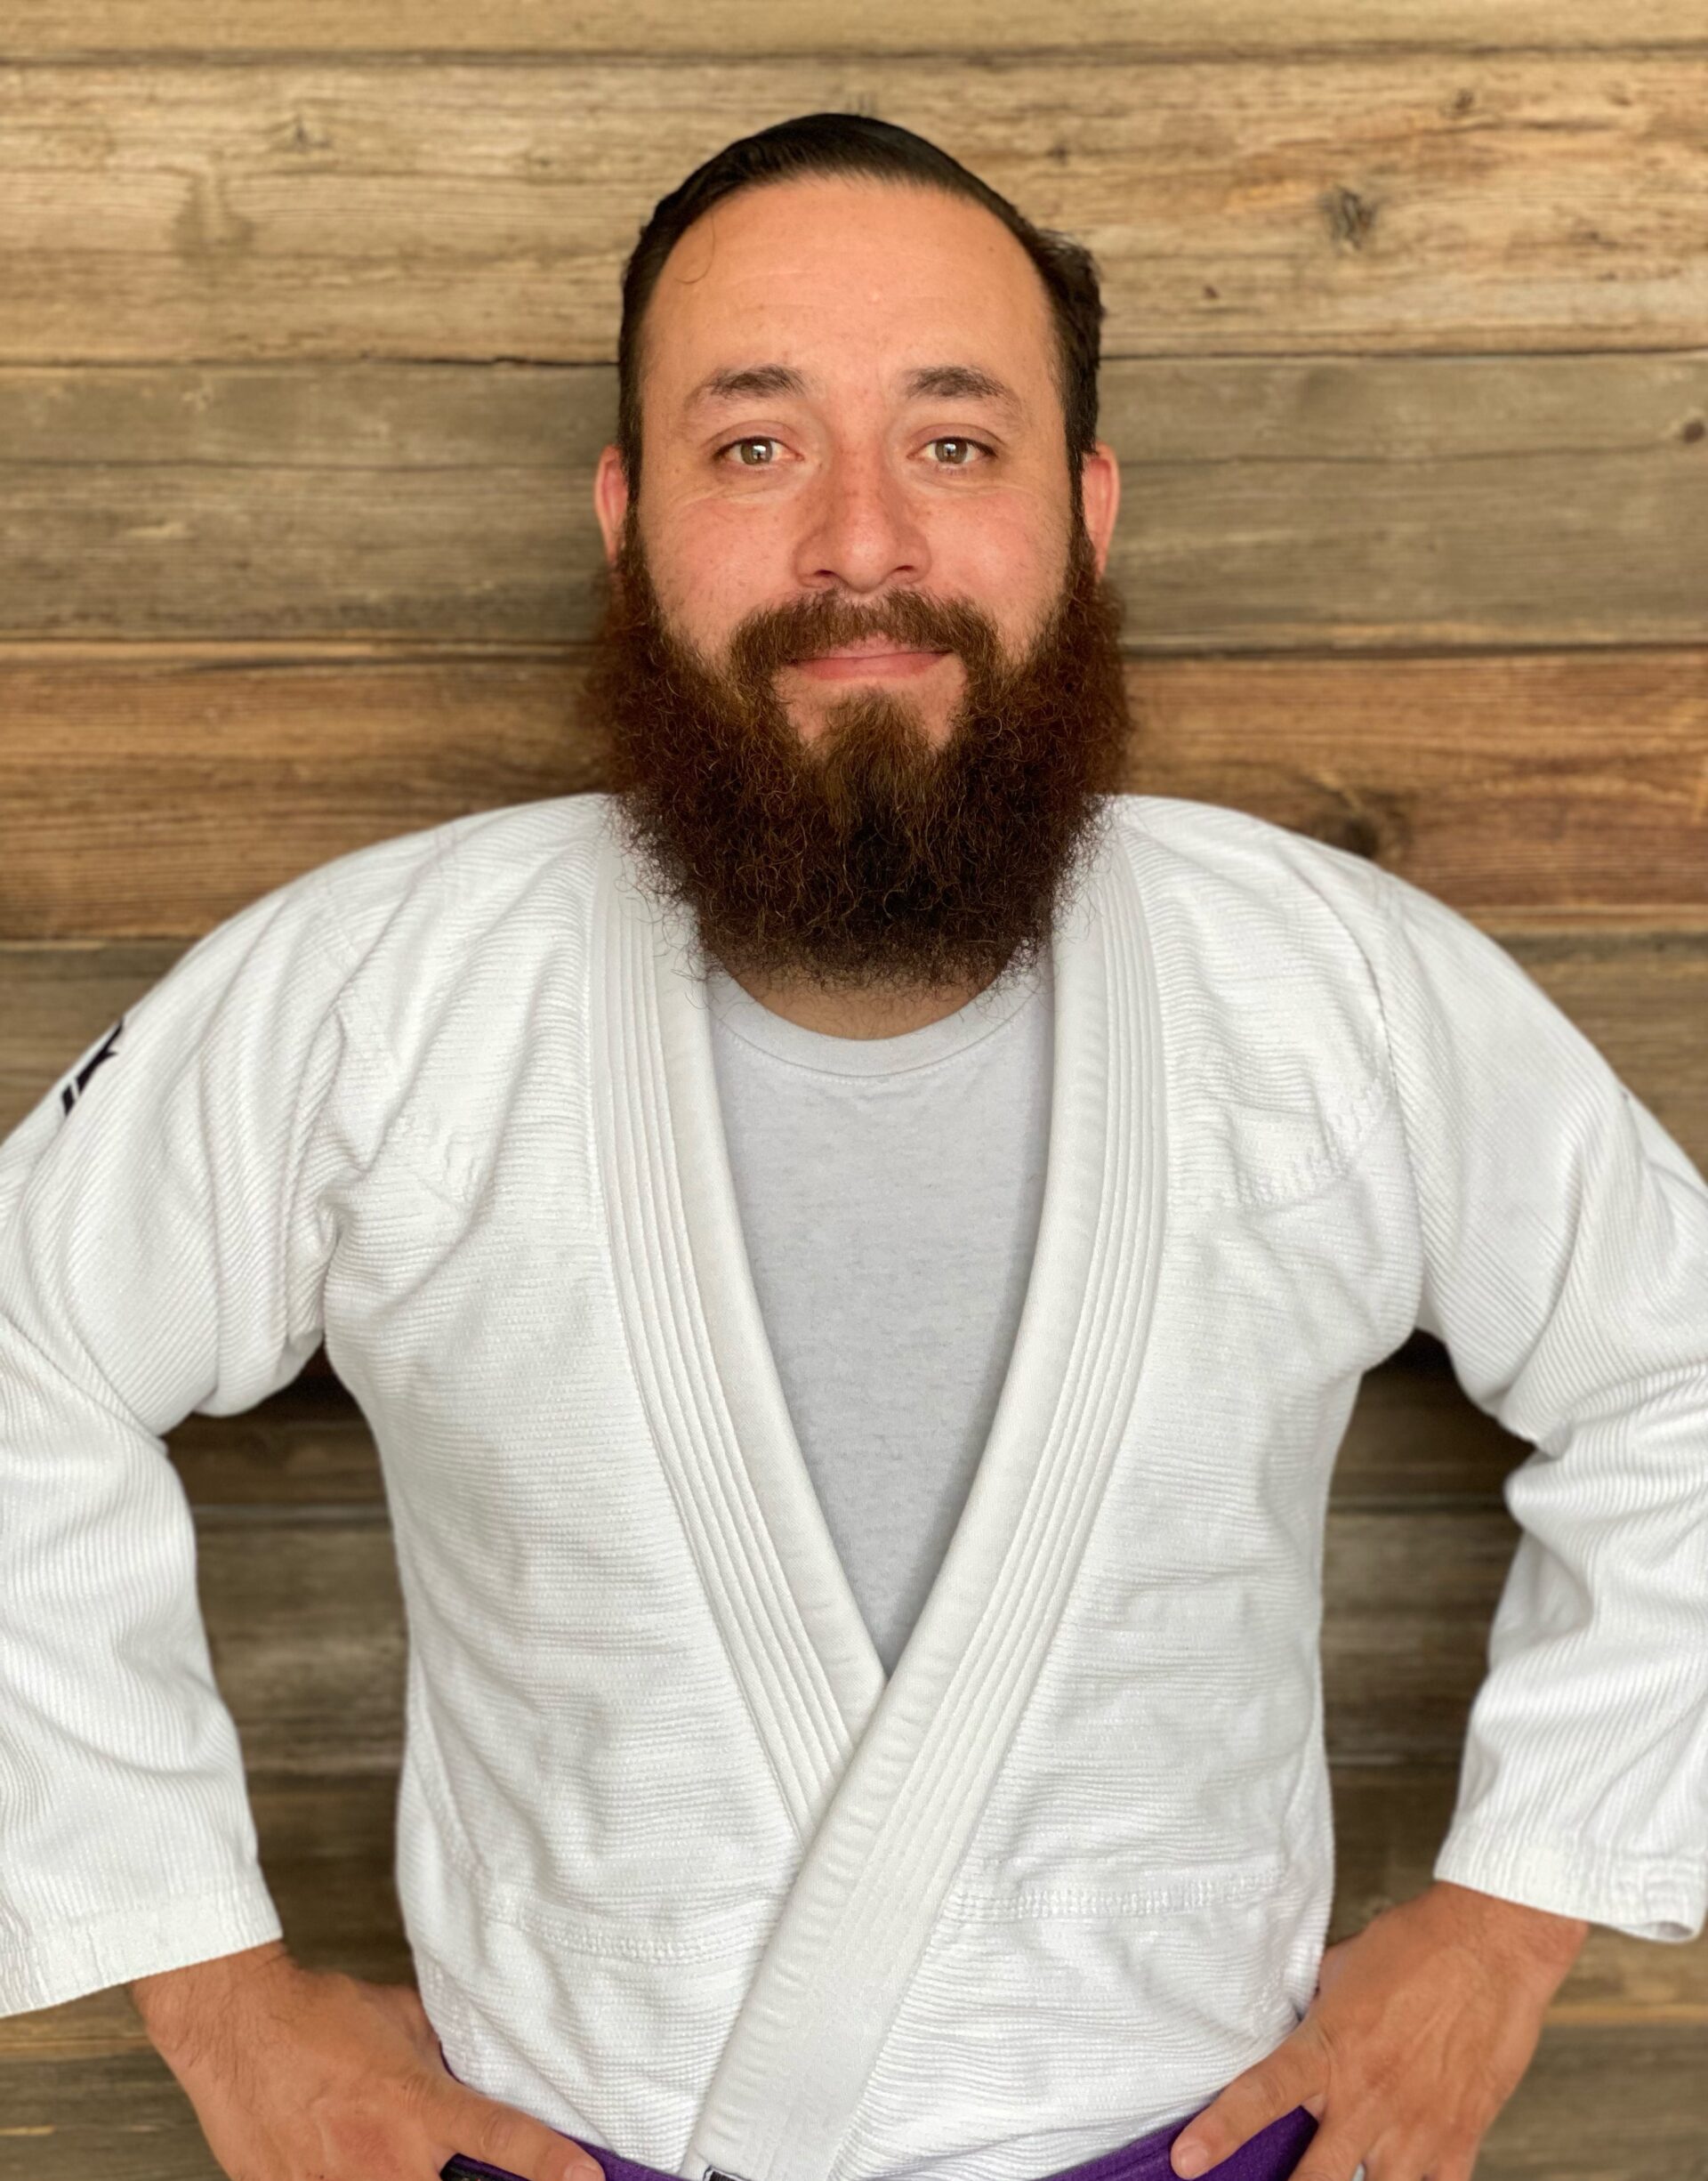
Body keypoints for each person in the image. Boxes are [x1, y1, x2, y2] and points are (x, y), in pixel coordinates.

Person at [1, 110, 1704, 2181]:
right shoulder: (389, 986)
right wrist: (207, 1983)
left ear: (1089, 509)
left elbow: (1682, 1367)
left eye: (956, 442)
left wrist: (1512, 1919)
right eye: (755, 444)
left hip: (1214, 2143)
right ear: (623, 515)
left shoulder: (1326, 984)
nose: (864, 546)